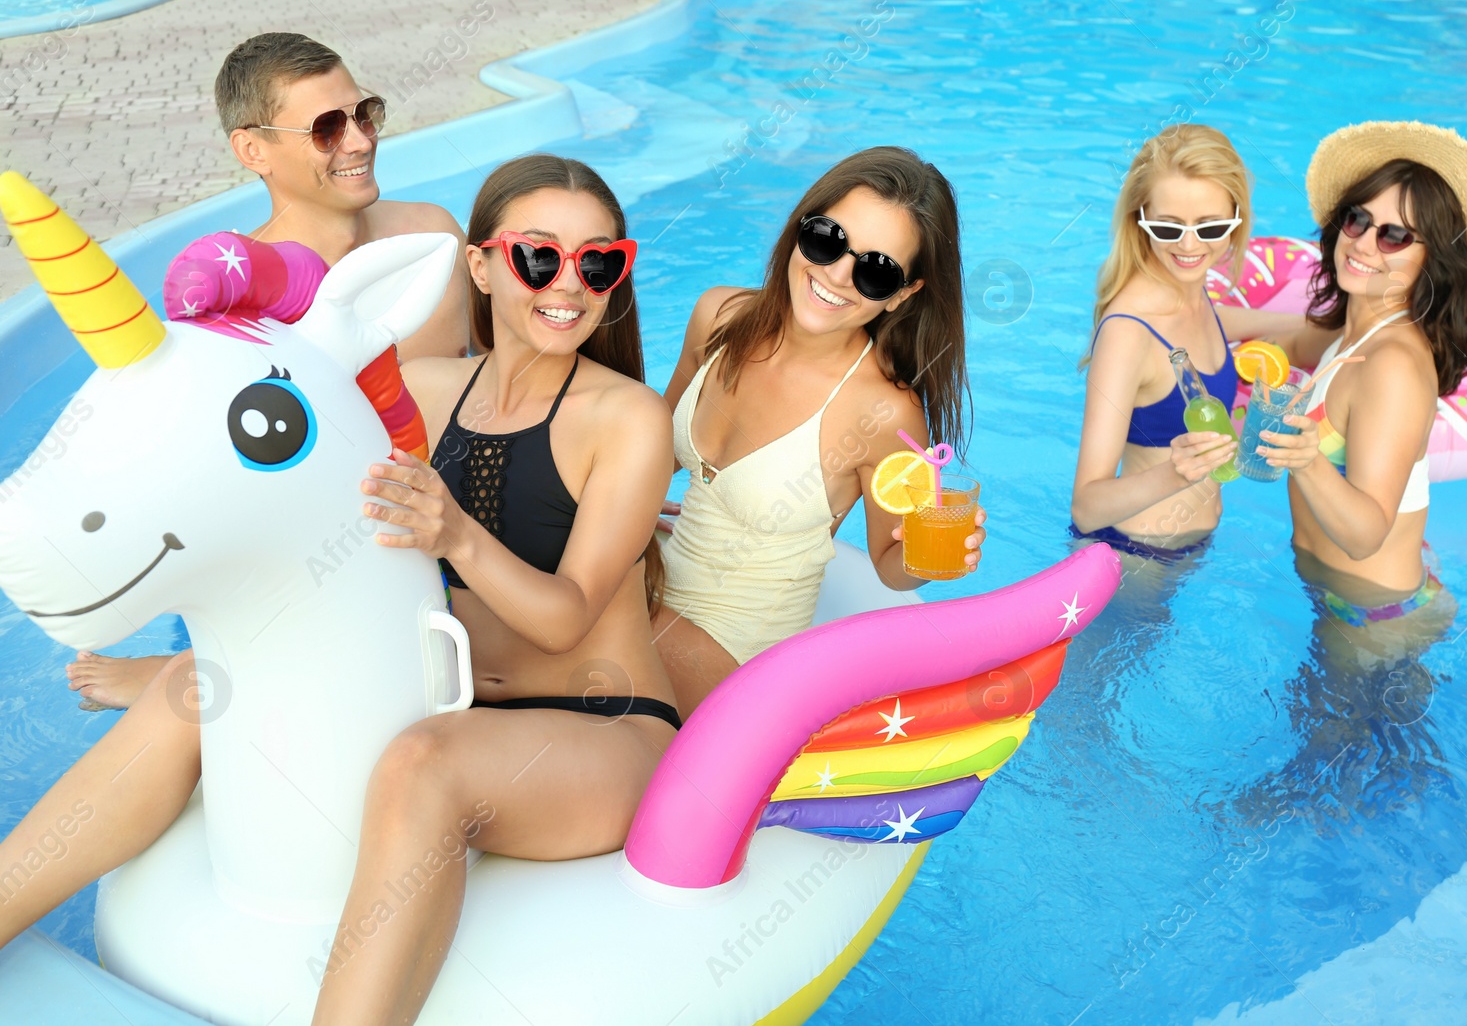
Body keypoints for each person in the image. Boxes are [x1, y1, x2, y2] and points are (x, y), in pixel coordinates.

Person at [0, 154, 677, 1026]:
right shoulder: (423, 391)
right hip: (443, 694)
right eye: (538, 257)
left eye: (599, 263)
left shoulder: (626, 417)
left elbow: (565, 617)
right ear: (479, 264)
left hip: (597, 723)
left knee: (422, 767)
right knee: (191, 694)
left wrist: (456, 535)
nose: (569, 284)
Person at [66, 31, 474, 710]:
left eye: (363, 113)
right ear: (253, 150)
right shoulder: (236, 301)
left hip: (452, 518)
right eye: (325, 128)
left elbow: (492, 370)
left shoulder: (430, 237)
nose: (359, 141)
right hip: (326, 559)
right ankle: (194, 667)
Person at [653, 146, 984, 718]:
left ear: (903, 293)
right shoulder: (719, 317)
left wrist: (933, 560)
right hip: (656, 587)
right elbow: (657, 455)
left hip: (737, 661)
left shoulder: (883, 412)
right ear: (801, 226)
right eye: (829, 239)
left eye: (876, 271)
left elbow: (889, 563)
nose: (835, 275)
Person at [1254, 121, 1467, 626]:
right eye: (1358, 219)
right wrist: (1201, 318)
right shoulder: (1356, 331)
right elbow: (1292, 336)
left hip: (1372, 616)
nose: (1365, 243)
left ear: (1429, 260)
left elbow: (1365, 534)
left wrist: (1306, 460)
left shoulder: (1391, 365)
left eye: (1395, 236)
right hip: (1348, 590)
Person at [1070, 124, 1251, 566]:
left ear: (1236, 220)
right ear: (1141, 221)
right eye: (1169, 229)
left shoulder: (1193, 290)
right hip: (1135, 556)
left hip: (1189, 548)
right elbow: (1086, 508)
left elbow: (1289, 331)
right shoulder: (1128, 333)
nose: (1190, 246)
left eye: (1210, 228)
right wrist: (1175, 473)